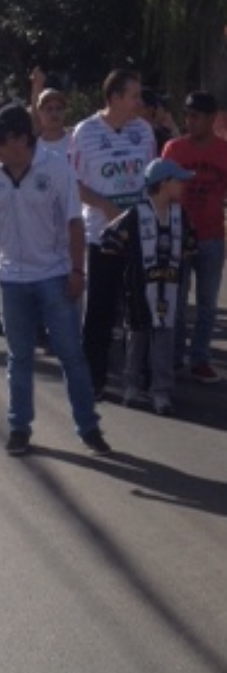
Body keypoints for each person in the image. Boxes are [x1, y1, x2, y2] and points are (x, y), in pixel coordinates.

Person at [0, 104, 110, 456]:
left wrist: (77, 271)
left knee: (71, 355)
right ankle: (18, 427)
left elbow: (75, 223)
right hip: (10, 278)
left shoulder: (56, 169)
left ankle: (88, 427)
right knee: (19, 357)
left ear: (21, 140)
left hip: (54, 276)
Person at [71, 69, 156, 397]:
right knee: (99, 311)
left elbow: (151, 180)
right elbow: (73, 183)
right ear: (115, 97)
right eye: (133, 95)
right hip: (101, 234)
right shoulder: (85, 131)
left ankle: (139, 377)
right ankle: (94, 378)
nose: (139, 101)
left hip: (138, 232)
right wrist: (105, 205)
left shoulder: (144, 131)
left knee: (141, 308)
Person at [100, 158, 197, 415]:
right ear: (164, 183)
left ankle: (161, 391)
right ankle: (131, 386)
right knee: (137, 336)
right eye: (178, 180)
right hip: (138, 289)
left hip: (169, 288)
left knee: (164, 338)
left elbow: (189, 245)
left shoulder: (179, 214)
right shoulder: (136, 213)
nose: (183, 185)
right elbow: (108, 240)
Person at [163, 90, 227, 382]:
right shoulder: (174, 149)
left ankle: (199, 357)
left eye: (197, 116)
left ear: (212, 118)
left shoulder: (223, 151)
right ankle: (175, 357)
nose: (190, 121)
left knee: (207, 304)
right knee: (176, 304)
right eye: (187, 115)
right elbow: (160, 191)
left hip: (212, 237)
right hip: (178, 236)